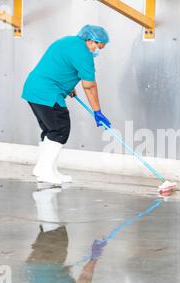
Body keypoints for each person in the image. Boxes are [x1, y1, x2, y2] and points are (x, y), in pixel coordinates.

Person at [22, 25, 112, 185]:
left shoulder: (68, 41)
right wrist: (97, 111)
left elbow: (60, 65)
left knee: (50, 130)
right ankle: (45, 170)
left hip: (34, 89)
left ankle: (45, 169)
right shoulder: (84, 54)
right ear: (91, 40)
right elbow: (89, 85)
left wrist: (68, 87)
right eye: (98, 47)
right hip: (48, 93)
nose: (97, 51)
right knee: (60, 130)